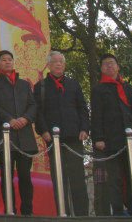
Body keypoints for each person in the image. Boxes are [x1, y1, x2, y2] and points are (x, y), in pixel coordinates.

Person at [34, 50, 90, 216]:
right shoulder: (41, 86)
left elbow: (83, 108)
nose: (58, 64)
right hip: (53, 138)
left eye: (61, 61)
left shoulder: (74, 84)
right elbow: (38, 112)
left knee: (77, 177)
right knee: (59, 177)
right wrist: (43, 130)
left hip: (74, 135)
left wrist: (84, 129)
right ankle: (62, 213)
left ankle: (82, 215)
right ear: (48, 65)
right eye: (55, 61)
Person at [90, 53, 132, 216]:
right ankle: (118, 211)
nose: (110, 66)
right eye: (106, 64)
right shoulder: (98, 89)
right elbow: (96, 115)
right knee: (114, 178)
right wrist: (98, 138)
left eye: (112, 63)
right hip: (110, 140)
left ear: (118, 66)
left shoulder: (128, 88)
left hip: (130, 138)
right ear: (102, 69)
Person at [0, 49, 38, 216]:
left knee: (25, 177)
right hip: (6, 137)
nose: (7, 62)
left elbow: (33, 105)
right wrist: (9, 119)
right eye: (3, 60)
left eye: (10, 59)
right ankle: (10, 210)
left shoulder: (24, 84)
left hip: (25, 137)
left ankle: (27, 212)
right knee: (7, 177)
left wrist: (25, 119)